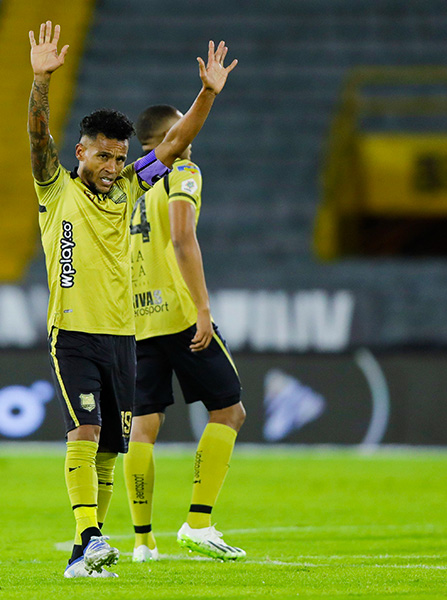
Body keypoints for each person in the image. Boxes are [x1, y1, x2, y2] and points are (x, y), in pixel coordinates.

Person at [28, 20, 237, 578]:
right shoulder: (56, 186)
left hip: (124, 336)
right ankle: (90, 535)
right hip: (72, 332)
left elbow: (173, 142)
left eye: (119, 159)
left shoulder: (129, 188)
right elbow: (37, 135)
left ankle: (84, 554)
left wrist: (208, 94)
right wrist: (41, 82)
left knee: (110, 450)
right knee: (87, 431)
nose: (112, 168)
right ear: (81, 152)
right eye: (103, 157)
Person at [123, 104, 247, 562]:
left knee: (143, 426)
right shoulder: (182, 171)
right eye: (183, 124)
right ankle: (198, 523)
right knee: (229, 411)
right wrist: (203, 308)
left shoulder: (128, 191)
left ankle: (142, 542)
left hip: (137, 321)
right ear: (170, 135)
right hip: (179, 315)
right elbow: (181, 237)